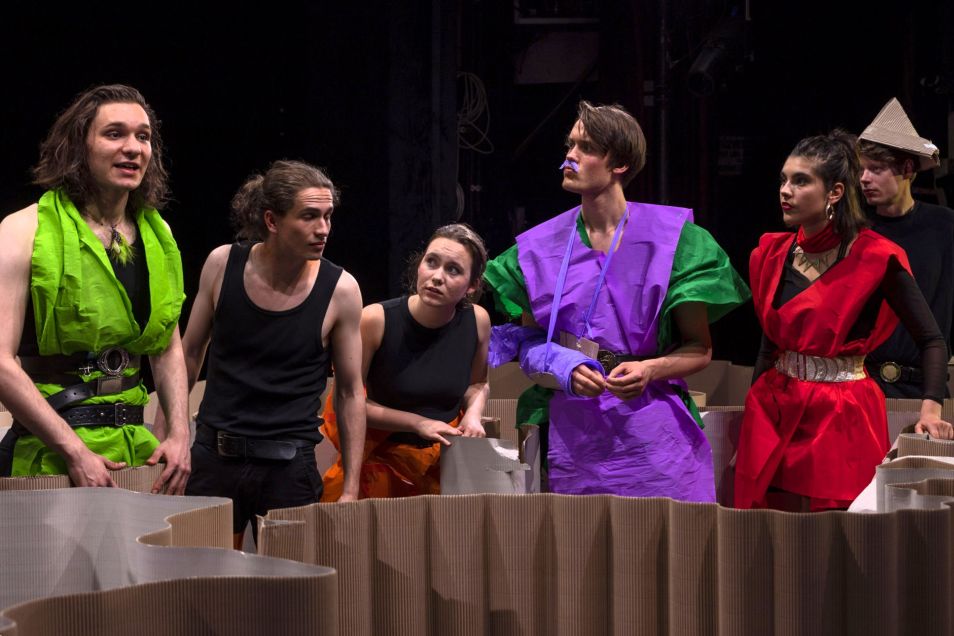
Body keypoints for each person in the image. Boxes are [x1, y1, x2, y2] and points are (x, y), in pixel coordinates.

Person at [483, 100, 749, 500]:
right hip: (575, 431)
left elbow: (699, 347)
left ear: (619, 163)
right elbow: (530, 343)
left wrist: (650, 369)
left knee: (665, 537)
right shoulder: (538, 248)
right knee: (580, 538)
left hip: (654, 433)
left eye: (586, 148)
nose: (570, 156)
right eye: (570, 145)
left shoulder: (675, 240)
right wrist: (564, 366)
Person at [735, 130, 954, 512]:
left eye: (800, 181)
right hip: (773, 411)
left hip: (841, 416)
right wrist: (748, 419)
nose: (785, 190)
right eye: (783, 179)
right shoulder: (771, 253)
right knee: (766, 526)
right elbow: (769, 346)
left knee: (836, 533)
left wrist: (931, 409)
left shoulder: (876, 257)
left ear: (835, 192)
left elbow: (932, 339)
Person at [0, 84, 191, 493]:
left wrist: (179, 433)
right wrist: (74, 451)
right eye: (114, 133)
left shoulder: (158, 235)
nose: (133, 148)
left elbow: (165, 343)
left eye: (143, 136)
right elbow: (0, 360)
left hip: (137, 452)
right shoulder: (23, 231)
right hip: (51, 454)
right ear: (78, 146)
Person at [168, 160, 365, 547]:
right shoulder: (223, 264)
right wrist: (170, 434)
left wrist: (351, 487)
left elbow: (350, 391)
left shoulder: (341, 290)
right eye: (309, 216)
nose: (323, 229)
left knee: (287, 581)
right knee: (204, 575)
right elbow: (189, 353)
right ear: (272, 220)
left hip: (288, 469)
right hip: (215, 456)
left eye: (328, 216)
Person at [322, 223, 490, 499]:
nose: (437, 277)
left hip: (444, 462)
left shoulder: (477, 321)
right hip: (378, 462)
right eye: (431, 262)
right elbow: (347, 402)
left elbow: (478, 384)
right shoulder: (375, 320)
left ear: (472, 285)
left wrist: (473, 412)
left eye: (453, 270)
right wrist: (418, 423)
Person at [857, 98, 954, 398]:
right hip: (864, 387)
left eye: (876, 169)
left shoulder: (945, 226)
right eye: (862, 170)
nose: (864, 179)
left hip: (925, 390)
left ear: (908, 168)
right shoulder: (858, 232)